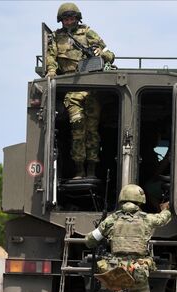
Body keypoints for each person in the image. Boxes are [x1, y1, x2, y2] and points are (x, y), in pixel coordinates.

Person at [46, 2, 115, 179]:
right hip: (72, 88)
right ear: (61, 20)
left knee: (92, 131)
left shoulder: (88, 33)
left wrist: (101, 52)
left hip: (91, 88)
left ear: (77, 18)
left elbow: (110, 54)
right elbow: (51, 58)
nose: (69, 21)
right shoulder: (55, 38)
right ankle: (79, 171)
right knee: (77, 129)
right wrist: (52, 71)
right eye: (66, 18)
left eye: (72, 18)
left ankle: (91, 171)